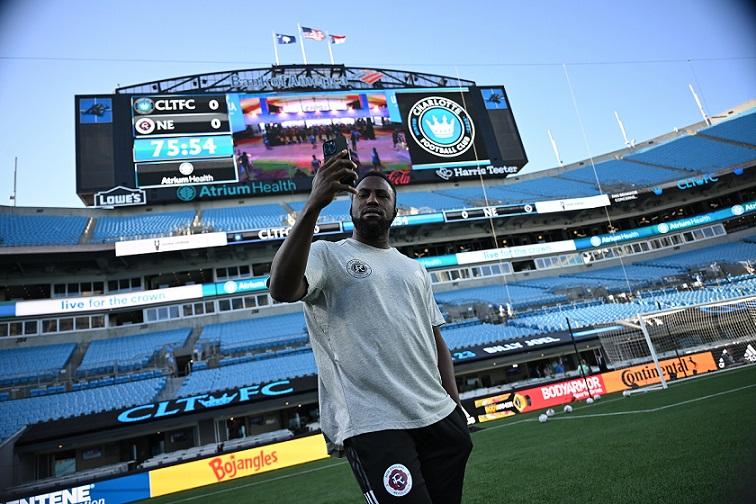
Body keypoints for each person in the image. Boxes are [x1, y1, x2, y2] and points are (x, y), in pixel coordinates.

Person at [268, 151, 472, 503]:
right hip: (374, 424)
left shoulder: (414, 269)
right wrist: (314, 203)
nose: (372, 199)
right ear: (351, 207)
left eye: (382, 195)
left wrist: (455, 406)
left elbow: (435, 339)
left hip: (438, 416)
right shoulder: (326, 255)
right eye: (362, 194)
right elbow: (281, 289)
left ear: (394, 210)